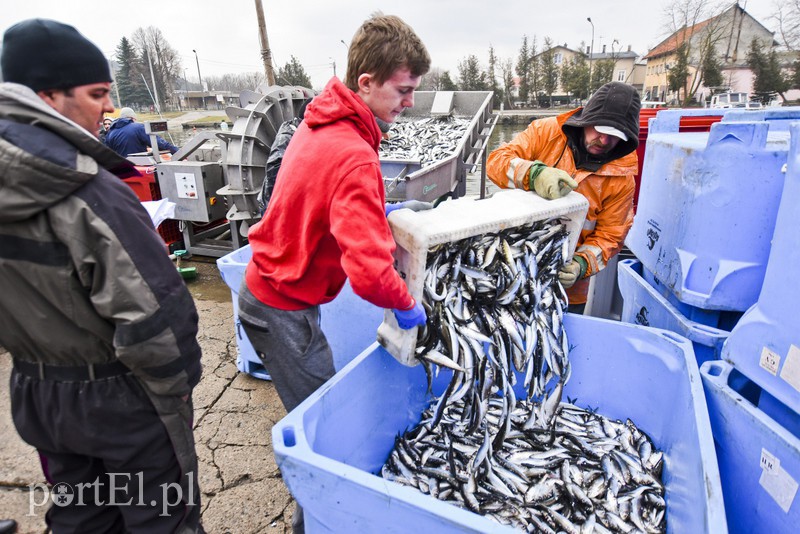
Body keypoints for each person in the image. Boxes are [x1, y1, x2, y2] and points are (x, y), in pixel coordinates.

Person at [0, 19, 203, 532]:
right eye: (96, 94)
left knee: (82, 519)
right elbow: (158, 316)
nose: (107, 110)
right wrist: (178, 388)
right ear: (49, 96)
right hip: (120, 402)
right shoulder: (90, 193)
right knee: (163, 519)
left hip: (37, 394)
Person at [238, 12, 430, 532]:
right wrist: (407, 305)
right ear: (366, 84)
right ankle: (317, 523)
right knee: (324, 434)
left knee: (320, 408)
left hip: (268, 288)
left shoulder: (321, 119)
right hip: (283, 306)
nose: (410, 102)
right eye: (403, 90)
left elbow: (317, 196)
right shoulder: (354, 154)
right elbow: (369, 273)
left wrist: (376, 210)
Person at [486, 81, 641, 314]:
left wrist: (582, 264)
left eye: (615, 136)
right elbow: (496, 161)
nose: (605, 141)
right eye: (601, 130)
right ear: (587, 119)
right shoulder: (546, 132)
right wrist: (534, 174)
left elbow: (612, 235)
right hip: (513, 267)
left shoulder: (622, 178)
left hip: (568, 288)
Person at [104, 106, 179, 157]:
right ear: (132, 117)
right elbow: (159, 143)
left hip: (122, 170)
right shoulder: (138, 127)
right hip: (138, 167)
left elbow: (109, 153)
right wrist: (177, 151)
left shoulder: (111, 132)